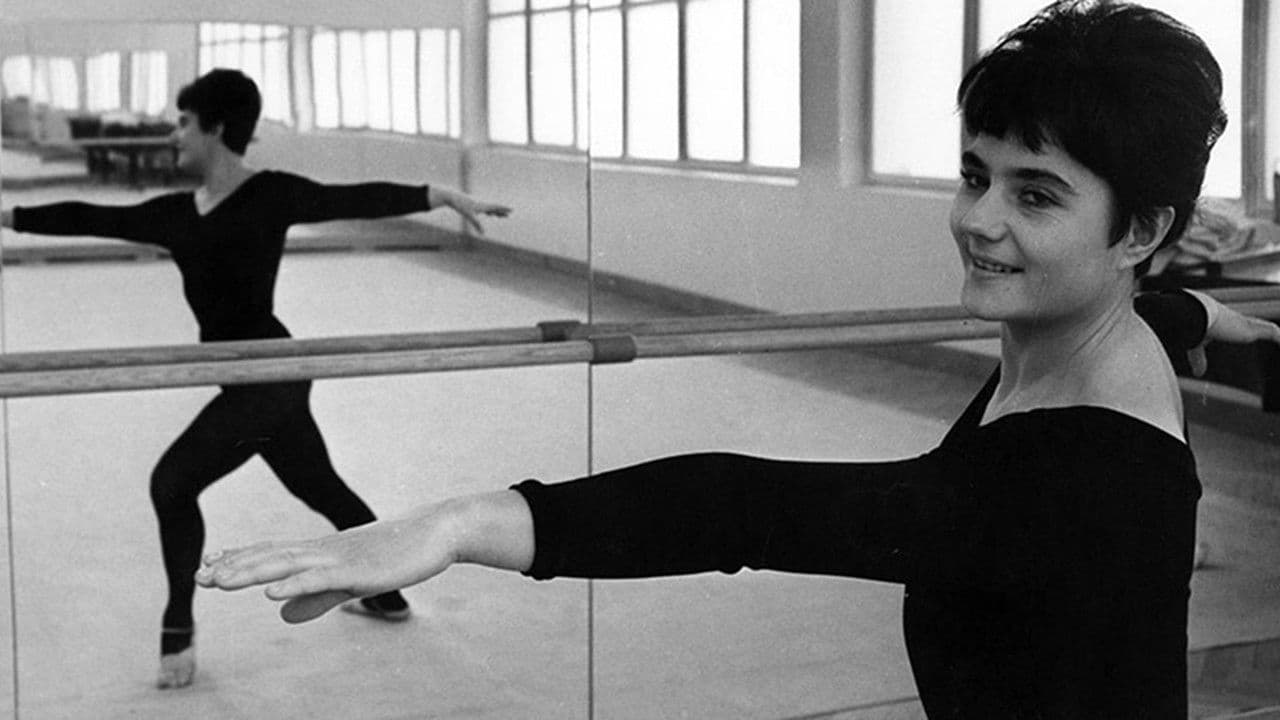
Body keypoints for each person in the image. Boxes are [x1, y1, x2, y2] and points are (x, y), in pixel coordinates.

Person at [197, 3, 1280, 717]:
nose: (977, 221)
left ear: (1140, 230)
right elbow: (1164, 313)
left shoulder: (1078, 478)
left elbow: (737, 507)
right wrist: (1225, 322)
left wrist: (458, 524)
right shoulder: (1105, 332)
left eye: (1034, 195)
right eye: (972, 175)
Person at [0, 68, 512, 689]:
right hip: (251, 378)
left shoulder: (271, 195)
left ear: (215, 128)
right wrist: (11, 215)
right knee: (321, 487)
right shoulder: (176, 214)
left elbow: (352, 198)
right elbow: (89, 215)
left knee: (172, 482)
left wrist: (439, 195)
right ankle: (388, 594)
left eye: (184, 123)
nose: (174, 134)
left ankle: (177, 629)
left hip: (271, 373)